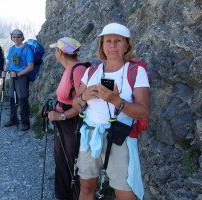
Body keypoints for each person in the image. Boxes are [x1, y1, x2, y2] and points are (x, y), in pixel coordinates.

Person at [72, 23, 150, 200]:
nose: (113, 45)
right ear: (102, 45)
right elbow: (75, 105)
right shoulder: (92, 70)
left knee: (126, 194)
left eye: (118, 41)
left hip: (119, 137)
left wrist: (116, 101)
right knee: (86, 187)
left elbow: (144, 112)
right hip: (90, 135)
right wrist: (84, 97)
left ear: (126, 45)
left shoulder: (136, 72)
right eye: (108, 41)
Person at [47, 37, 87, 200]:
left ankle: (76, 195)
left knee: (72, 161)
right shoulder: (67, 69)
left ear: (60, 52)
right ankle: (63, 195)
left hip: (71, 121)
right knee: (61, 158)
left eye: (56, 49)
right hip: (63, 120)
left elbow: (82, 103)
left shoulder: (78, 70)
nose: (55, 52)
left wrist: (61, 116)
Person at [2, 29, 34, 131]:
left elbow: (31, 66)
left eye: (18, 36)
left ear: (22, 37)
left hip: (22, 76)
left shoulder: (27, 49)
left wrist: (19, 74)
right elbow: (8, 62)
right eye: (14, 37)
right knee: (11, 97)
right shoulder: (11, 49)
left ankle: (25, 122)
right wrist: (5, 71)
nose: (16, 38)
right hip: (12, 75)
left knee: (22, 98)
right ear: (11, 37)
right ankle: (13, 119)